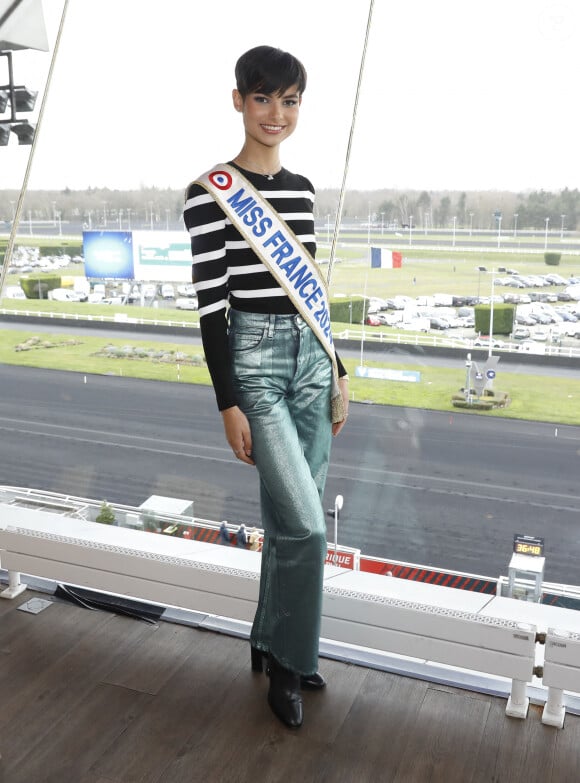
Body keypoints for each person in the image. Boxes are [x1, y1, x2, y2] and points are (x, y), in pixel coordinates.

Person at [183, 45, 349, 729]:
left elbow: (310, 291)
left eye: (289, 100)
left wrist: (337, 368)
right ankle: (290, 659)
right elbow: (210, 306)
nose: (275, 113)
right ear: (238, 102)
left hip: (311, 360)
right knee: (308, 526)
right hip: (252, 364)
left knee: (288, 521)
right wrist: (228, 401)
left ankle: (270, 636)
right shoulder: (209, 193)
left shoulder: (302, 190)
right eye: (262, 98)